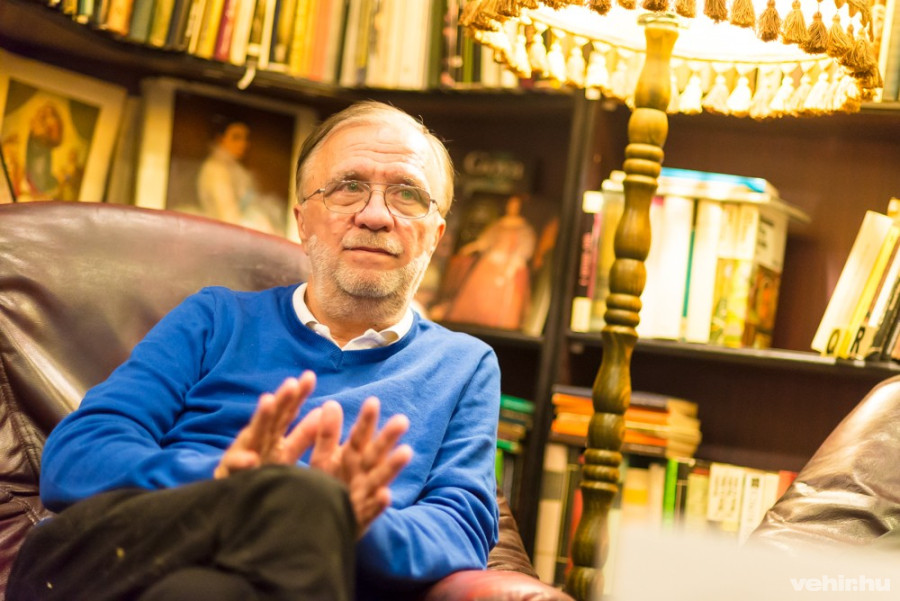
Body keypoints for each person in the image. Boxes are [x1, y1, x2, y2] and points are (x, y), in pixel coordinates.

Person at [7, 101, 501, 601]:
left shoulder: (465, 366)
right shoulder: (215, 318)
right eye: (348, 187)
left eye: (408, 194)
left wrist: (348, 520)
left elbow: (462, 529)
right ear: (303, 221)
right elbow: (78, 456)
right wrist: (228, 482)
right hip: (117, 560)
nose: (375, 215)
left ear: (435, 237)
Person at [195, 116, 283, 234]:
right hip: (224, 233)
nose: (243, 143)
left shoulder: (236, 169)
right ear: (220, 139)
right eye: (236, 137)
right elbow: (228, 216)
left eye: (245, 138)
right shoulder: (216, 170)